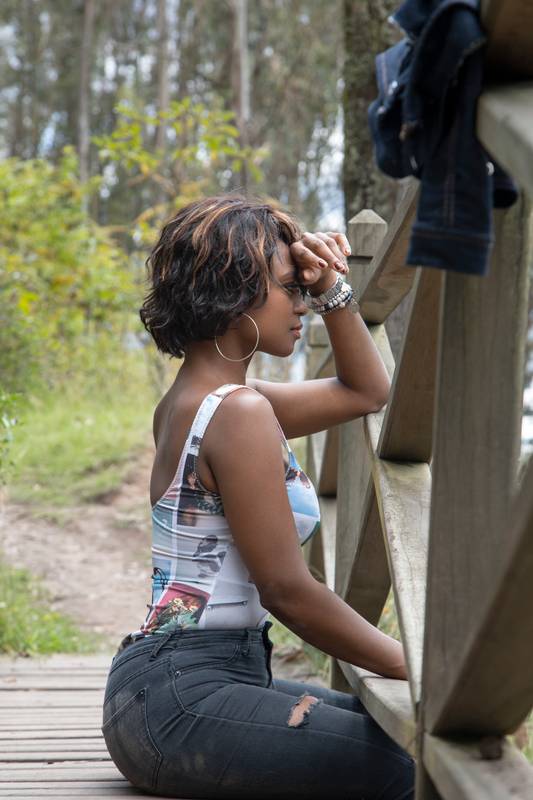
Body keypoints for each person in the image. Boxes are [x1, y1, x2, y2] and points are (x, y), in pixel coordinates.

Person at [101, 194, 415, 799]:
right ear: (233, 292)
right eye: (289, 288)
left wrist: (332, 290)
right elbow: (286, 590)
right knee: (406, 767)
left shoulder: (200, 402)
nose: (301, 305)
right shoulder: (236, 413)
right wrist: (418, 665)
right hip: (184, 697)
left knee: (402, 739)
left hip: (168, 688)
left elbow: (367, 391)